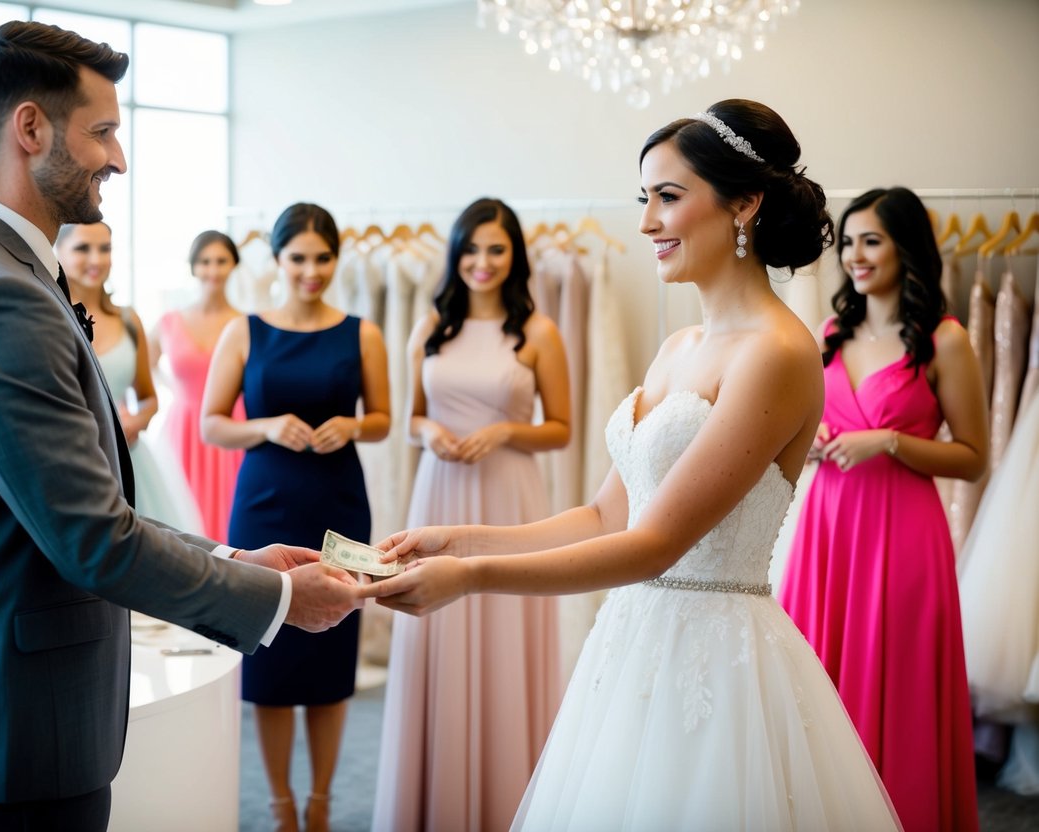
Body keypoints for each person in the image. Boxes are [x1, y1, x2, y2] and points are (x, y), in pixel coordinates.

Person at [362, 100, 902, 830]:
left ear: (744, 204)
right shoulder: (677, 347)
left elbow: (654, 545)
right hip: (630, 643)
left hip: (715, 664)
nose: (645, 222)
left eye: (667, 197)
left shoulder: (775, 353)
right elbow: (604, 515)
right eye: (642, 198)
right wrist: (457, 539)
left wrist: (472, 578)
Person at [0, 22, 360, 830]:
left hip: (5, 718)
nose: (119, 158)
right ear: (29, 128)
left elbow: (73, 505)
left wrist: (232, 555)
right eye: (101, 131)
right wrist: (278, 596)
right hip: (10, 733)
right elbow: (93, 540)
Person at [778, 187, 986, 831]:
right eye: (847, 242)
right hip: (828, 527)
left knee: (899, 691)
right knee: (819, 682)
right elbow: (800, 421)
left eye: (871, 240)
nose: (855, 256)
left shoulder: (946, 340)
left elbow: (975, 458)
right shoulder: (829, 335)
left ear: (907, 247)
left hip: (904, 534)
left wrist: (891, 441)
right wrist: (808, 441)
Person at [372, 197, 570, 832]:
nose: (482, 263)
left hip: (509, 495)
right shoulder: (432, 324)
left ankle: (509, 798)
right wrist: (427, 430)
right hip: (441, 489)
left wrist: (509, 433)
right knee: (436, 625)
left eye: (496, 249)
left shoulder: (538, 333)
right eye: (472, 249)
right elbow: (408, 418)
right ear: (455, 254)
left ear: (514, 257)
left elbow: (562, 429)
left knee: (504, 623)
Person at [201, 203, 390, 832]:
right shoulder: (245, 330)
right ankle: (281, 806)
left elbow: (384, 419)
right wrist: (264, 425)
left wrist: (355, 424)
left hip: (337, 499)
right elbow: (211, 424)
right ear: (277, 260)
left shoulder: (362, 332)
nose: (312, 271)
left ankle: (322, 804)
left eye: (323, 258)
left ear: (337, 259)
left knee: (333, 653)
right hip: (264, 502)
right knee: (272, 653)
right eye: (298, 258)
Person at [56, 221, 202, 534]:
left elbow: (148, 397)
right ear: (59, 251)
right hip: (74, 462)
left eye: (104, 249)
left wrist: (135, 421)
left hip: (128, 459)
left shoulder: (127, 318)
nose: (96, 259)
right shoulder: (51, 319)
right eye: (83, 248)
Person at [148, 230, 246, 542]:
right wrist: (176, 390)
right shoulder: (169, 322)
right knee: (184, 516)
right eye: (205, 261)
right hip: (185, 427)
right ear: (193, 267)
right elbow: (142, 367)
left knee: (234, 513)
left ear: (234, 265)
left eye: (221, 261)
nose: (213, 270)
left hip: (234, 426)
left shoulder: (247, 323)